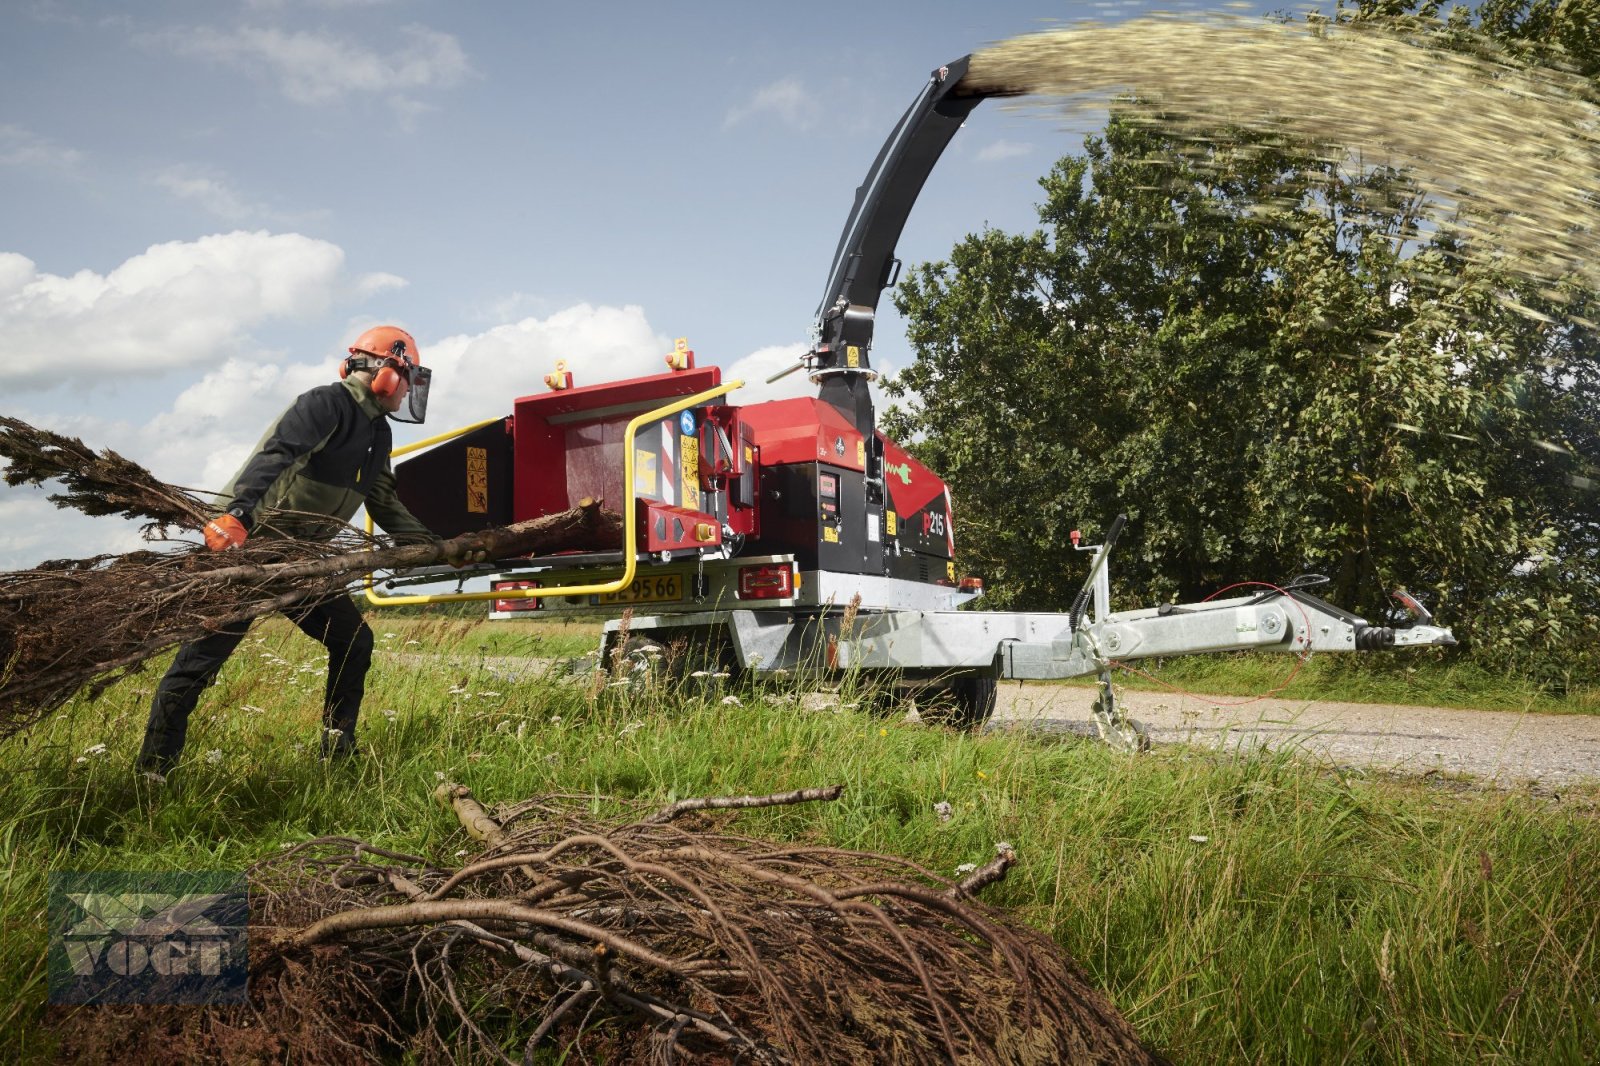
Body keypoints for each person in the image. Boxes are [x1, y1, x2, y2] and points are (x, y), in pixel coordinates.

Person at [135, 325, 482, 780]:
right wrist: (237, 515)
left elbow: (384, 500)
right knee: (202, 659)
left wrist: (435, 549)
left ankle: (336, 752)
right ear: (386, 373)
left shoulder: (378, 433)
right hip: (250, 548)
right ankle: (153, 771)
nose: (408, 394)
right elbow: (276, 456)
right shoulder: (324, 405)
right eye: (408, 379)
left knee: (353, 640)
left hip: (302, 557)